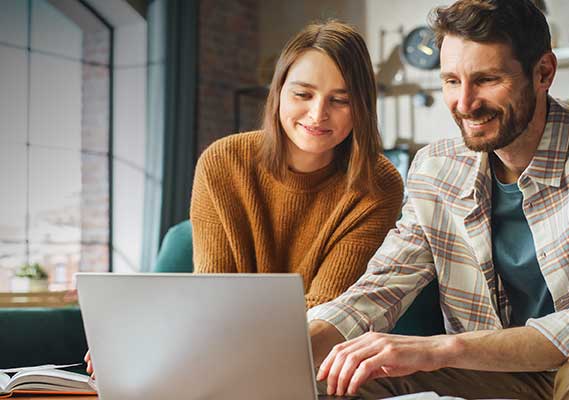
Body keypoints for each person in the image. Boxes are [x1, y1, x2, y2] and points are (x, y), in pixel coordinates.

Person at [308, 1, 569, 399]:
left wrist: (440, 349)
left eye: (486, 79)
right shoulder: (437, 168)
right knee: (333, 379)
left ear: (543, 73)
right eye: (450, 81)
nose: (464, 103)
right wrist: (291, 349)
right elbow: (381, 286)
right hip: (491, 374)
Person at [85, 20, 404, 376]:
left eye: (340, 100)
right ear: (278, 92)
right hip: (222, 354)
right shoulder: (223, 162)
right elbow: (213, 292)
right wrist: (150, 336)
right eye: (302, 94)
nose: (318, 114)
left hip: (313, 362)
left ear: (362, 106)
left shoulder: (379, 183)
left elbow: (326, 312)